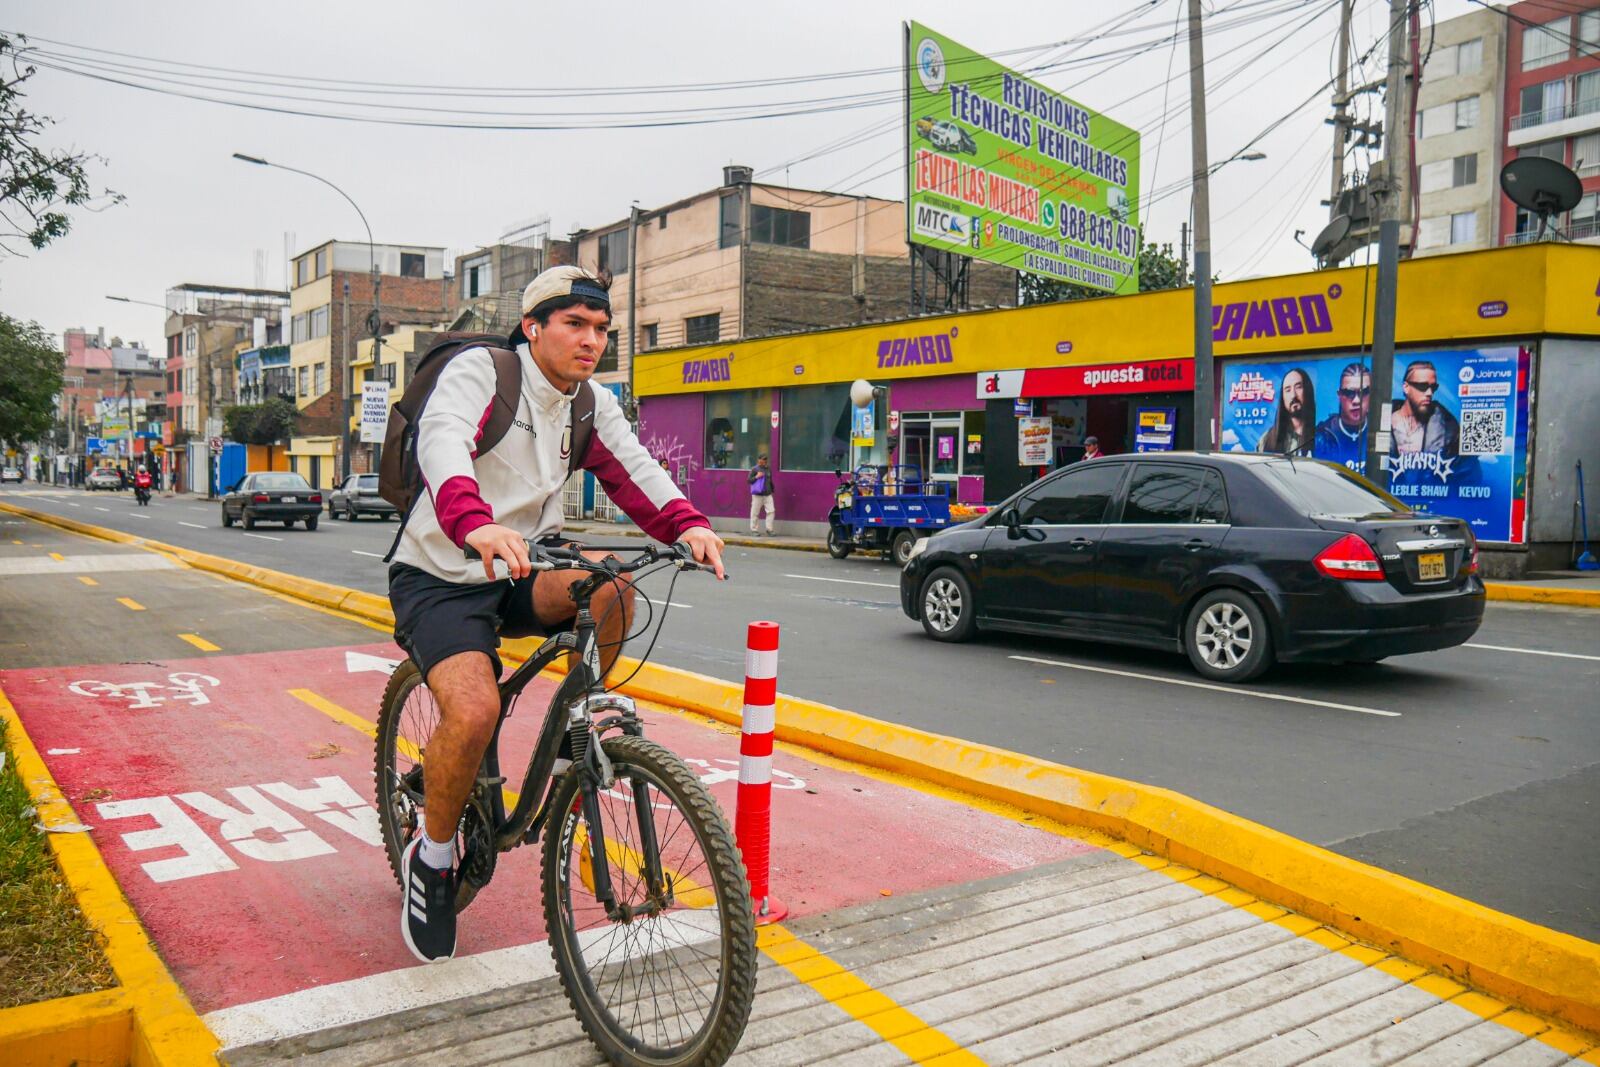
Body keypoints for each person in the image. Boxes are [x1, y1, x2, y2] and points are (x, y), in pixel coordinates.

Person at [386, 265, 726, 964]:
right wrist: (472, 522)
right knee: (474, 711)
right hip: (443, 571)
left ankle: (581, 730)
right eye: (575, 324)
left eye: (602, 328)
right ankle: (435, 854)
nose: (592, 339)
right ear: (534, 327)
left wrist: (688, 524)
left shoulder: (588, 403)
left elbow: (635, 470)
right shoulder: (485, 371)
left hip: (522, 564)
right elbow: (442, 441)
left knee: (611, 588)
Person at [1390, 360, 1459, 457]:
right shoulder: (1381, 421)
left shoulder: (1447, 428)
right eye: (1422, 386)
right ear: (1406, 387)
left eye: (1433, 387)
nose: (1429, 393)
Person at [1313, 363, 1370, 471]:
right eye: (1349, 393)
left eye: (1364, 392)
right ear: (1339, 395)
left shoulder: (1382, 435)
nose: (1356, 400)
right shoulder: (1322, 437)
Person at [1259, 367, 1315, 456]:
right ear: (1283, 397)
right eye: (1288, 390)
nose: (1293, 395)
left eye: (1298, 387)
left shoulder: (1321, 436)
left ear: (1308, 390)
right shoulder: (1267, 439)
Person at [748, 454, 775, 535]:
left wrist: (772, 489)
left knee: (771, 511)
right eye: (760, 460)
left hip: (768, 494)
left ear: (765, 461)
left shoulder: (768, 469)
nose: (761, 462)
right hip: (757, 495)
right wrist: (757, 476)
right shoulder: (754, 469)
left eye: (763, 460)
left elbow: (770, 480)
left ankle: (769, 529)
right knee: (755, 512)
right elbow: (749, 481)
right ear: (758, 460)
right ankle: (754, 530)